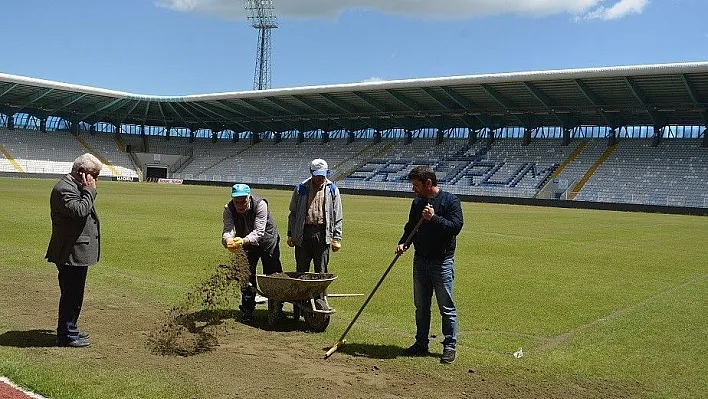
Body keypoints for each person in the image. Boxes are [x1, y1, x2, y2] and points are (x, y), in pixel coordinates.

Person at [396, 165, 463, 364]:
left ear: (428, 183)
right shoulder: (417, 203)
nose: (413, 189)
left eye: (416, 185)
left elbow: (454, 228)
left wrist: (433, 218)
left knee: (446, 308)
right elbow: (410, 227)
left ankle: (449, 346)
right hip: (420, 260)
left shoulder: (450, 201)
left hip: (442, 262)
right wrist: (403, 242)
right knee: (421, 307)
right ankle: (421, 343)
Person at [46, 153, 103, 348]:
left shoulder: (73, 187)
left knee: (74, 293)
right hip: (70, 252)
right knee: (71, 293)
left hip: (75, 250)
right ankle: (67, 334)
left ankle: (71, 328)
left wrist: (86, 189)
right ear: (81, 173)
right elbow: (80, 211)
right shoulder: (64, 189)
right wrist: (89, 191)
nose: (96, 180)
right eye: (94, 175)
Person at [222, 183, 283, 322]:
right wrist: (228, 241)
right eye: (236, 202)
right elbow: (227, 230)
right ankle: (247, 310)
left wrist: (242, 241)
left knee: (273, 275)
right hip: (246, 243)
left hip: (267, 241)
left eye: (243, 201)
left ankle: (276, 308)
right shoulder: (228, 209)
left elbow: (259, 232)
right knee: (246, 276)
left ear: (249, 198)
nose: (240, 205)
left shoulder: (261, 205)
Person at [287, 158, 343, 273]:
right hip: (303, 234)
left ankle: (321, 292)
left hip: (322, 234)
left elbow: (337, 215)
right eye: (317, 175)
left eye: (322, 175)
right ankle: (303, 291)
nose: (320, 178)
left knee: (321, 271)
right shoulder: (301, 188)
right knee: (301, 271)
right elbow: (293, 213)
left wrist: (337, 238)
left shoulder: (332, 189)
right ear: (311, 173)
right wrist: (290, 234)